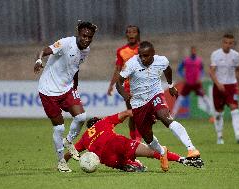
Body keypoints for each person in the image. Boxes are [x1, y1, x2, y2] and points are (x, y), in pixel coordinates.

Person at [116, 41, 202, 161]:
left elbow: (168, 70)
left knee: (165, 118)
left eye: (146, 55)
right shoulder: (131, 63)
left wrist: (171, 85)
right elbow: (118, 82)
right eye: (140, 55)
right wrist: (124, 94)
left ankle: (191, 149)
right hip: (138, 102)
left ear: (153, 54)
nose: (142, 58)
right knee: (148, 138)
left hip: (155, 94)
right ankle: (162, 152)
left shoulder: (161, 60)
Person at [34, 21, 97, 172]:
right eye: (84, 36)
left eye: (90, 37)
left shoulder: (86, 50)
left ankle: (68, 141)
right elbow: (44, 50)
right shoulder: (65, 43)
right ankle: (61, 161)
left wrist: (75, 87)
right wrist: (38, 60)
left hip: (67, 88)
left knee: (81, 117)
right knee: (59, 127)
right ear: (78, 33)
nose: (86, 39)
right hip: (48, 90)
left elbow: (75, 68)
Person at [64, 110, 204, 172]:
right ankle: (183, 160)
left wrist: (62, 162)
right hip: (118, 143)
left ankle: (131, 165)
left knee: (127, 165)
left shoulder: (84, 139)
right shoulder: (104, 122)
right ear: (97, 121)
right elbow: (126, 113)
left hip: (107, 158)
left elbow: (71, 152)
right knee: (153, 152)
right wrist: (141, 114)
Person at [107, 25, 142, 141]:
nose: (131, 34)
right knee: (132, 113)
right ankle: (135, 138)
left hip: (143, 84)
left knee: (143, 112)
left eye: (134, 32)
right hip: (128, 86)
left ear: (138, 34)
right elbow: (118, 69)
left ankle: (139, 136)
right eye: (129, 32)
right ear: (126, 35)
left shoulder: (144, 48)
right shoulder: (121, 51)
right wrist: (112, 85)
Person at [209, 33, 239, 144]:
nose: (228, 45)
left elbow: (238, 70)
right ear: (222, 42)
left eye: (230, 43)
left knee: (234, 108)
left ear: (233, 43)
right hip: (219, 87)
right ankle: (220, 136)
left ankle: (238, 135)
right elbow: (212, 71)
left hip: (231, 86)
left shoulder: (236, 55)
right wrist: (218, 83)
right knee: (219, 113)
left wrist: (238, 85)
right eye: (226, 42)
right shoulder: (215, 54)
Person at [172, 46, 214, 122]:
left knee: (205, 98)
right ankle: (172, 115)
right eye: (192, 50)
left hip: (197, 84)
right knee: (180, 99)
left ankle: (212, 115)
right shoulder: (186, 61)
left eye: (195, 50)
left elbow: (202, 71)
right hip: (188, 83)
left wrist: (200, 78)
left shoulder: (199, 61)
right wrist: (183, 77)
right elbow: (179, 70)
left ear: (196, 51)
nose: (193, 52)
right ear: (191, 51)